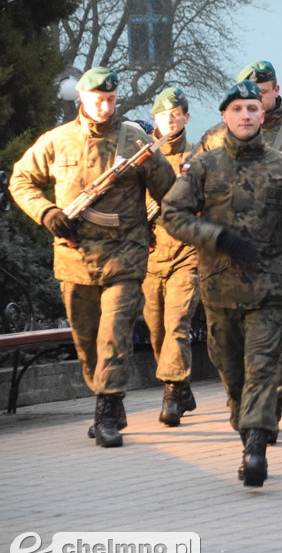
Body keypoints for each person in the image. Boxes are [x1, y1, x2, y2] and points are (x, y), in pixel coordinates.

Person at [161, 80, 282, 487]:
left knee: (262, 368)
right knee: (232, 372)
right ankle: (248, 428)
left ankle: (256, 449)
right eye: (237, 110)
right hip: (219, 290)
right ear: (225, 117)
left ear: (263, 114)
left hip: (271, 291)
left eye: (252, 109)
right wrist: (216, 237)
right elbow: (172, 214)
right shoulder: (204, 166)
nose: (245, 116)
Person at [9, 67, 176, 447]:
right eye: (98, 99)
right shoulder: (57, 141)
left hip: (125, 255)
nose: (105, 106)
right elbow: (21, 180)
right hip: (75, 257)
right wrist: (46, 212)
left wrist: (163, 225)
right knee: (86, 343)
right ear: (81, 99)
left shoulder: (136, 142)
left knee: (114, 335)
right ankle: (108, 398)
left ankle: (106, 409)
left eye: (112, 99)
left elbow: (170, 192)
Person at [192, 60, 282, 438]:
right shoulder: (212, 139)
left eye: (264, 90)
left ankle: (270, 404)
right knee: (225, 344)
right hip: (228, 259)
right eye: (246, 94)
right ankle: (241, 401)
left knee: (276, 333)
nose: (256, 99)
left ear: (276, 90)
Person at [142, 87, 201, 426]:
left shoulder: (197, 156)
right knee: (156, 332)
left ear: (186, 117)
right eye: (164, 114)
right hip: (149, 258)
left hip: (185, 255)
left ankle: (171, 395)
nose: (170, 118)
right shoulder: (140, 155)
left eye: (177, 113)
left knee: (176, 324)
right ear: (155, 117)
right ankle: (182, 384)